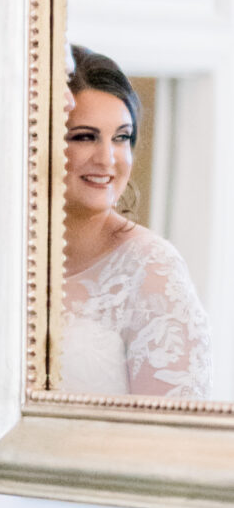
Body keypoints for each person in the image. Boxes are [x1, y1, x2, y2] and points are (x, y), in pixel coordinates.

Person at [61, 44, 211, 400]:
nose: (107, 158)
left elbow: (170, 435)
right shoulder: (0, 251)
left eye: (121, 138)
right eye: (85, 136)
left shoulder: (151, 268)